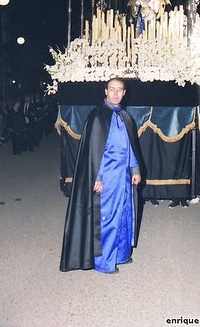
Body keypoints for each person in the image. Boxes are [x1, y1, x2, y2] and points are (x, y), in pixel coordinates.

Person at [60, 78, 142, 274]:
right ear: (105, 91)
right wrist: (97, 178)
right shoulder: (98, 116)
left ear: (124, 93)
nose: (115, 93)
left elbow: (129, 147)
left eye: (119, 90)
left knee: (124, 215)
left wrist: (135, 169)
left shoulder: (125, 117)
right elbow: (95, 153)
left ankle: (121, 255)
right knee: (108, 218)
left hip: (123, 176)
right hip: (107, 178)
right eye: (111, 89)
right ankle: (104, 262)